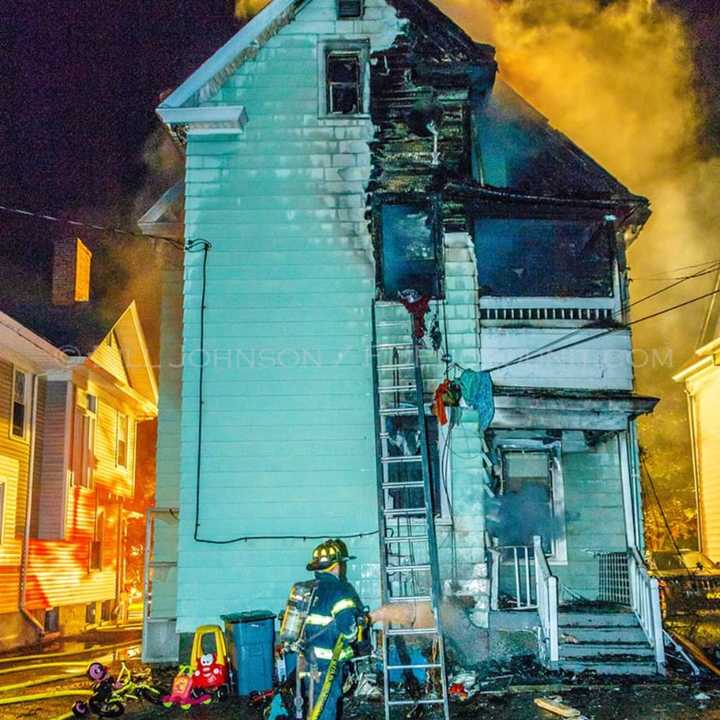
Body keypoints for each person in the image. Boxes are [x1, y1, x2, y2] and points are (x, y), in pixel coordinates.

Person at [301, 538, 365, 720]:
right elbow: (348, 630)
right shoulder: (340, 590)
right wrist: (357, 625)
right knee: (325, 708)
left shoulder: (309, 589)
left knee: (315, 705)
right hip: (328, 663)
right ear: (337, 565)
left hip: (308, 659)